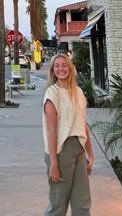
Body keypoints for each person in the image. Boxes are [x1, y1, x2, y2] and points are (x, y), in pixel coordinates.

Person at [42, 53, 94, 216]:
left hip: (79, 149)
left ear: (70, 68)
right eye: (56, 66)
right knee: (58, 206)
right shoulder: (52, 93)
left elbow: (83, 124)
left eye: (64, 65)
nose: (61, 69)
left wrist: (90, 153)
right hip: (60, 152)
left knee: (82, 204)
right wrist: (54, 165)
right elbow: (51, 131)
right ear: (52, 70)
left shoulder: (78, 92)